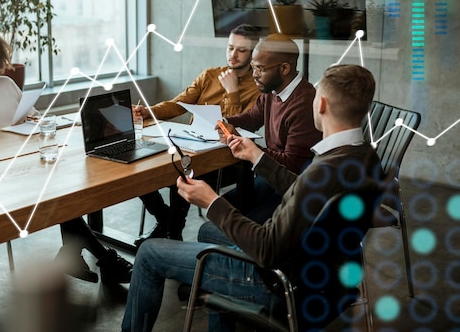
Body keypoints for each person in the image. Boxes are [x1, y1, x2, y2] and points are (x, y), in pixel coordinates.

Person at [121, 64, 384, 332]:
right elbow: (307, 192)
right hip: (327, 276)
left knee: (149, 253)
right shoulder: (364, 158)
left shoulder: (323, 169)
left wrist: (211, 201)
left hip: (276, 281)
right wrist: (257, 156)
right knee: (208, 232)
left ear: (322, 104)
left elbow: (265, 249)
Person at [0, 31, 132, 285]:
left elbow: (32, 114)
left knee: (62, 189)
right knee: (56, 195)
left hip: (25, 162)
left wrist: (36, 119)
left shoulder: (7, 84)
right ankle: (102, 259)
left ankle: (80, 256)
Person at [134, 24, 262, 245]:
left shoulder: (258, 88)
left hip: (227, 156)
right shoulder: (210, 75)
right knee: (139, 167)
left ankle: (172, 230)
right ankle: (165, 219)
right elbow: (178, 105)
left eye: (241, 50)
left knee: (184, 169)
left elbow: (235, 128)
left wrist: (232, 92)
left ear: (253, 54)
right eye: (230, 47)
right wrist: (148, 111)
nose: (233, 54)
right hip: (193, 144)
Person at [202, 32, 322, 234]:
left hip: (293, 191)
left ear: (284, 68)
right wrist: (224, 122)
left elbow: (292, 167)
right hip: (270, 178)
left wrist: (250, 148)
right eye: (253, 67)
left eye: (259, 68)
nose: (254, 74)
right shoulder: (271, 92)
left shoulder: (304, 103)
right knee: (216, 214)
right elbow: (250, 119)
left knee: (216, 226)